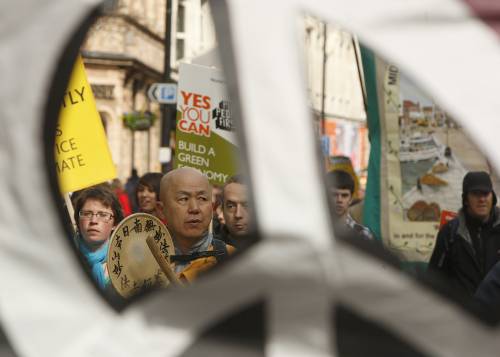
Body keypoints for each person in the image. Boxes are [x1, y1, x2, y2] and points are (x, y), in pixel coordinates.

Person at [428, 171, 500, 296]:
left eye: (485, 193)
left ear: (492, 197)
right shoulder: (450, 233)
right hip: (462, 312)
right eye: (476, 194)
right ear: (466, 199)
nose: (482, 199)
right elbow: (434, 279)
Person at [159, 167, 234, 283]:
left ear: (212, 205)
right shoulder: (146, 264)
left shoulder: (234, 260)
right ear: (161, 210)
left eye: (202, 198)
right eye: (183, 199)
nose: (194, 208)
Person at [73, 186, 124, 291]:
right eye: (87, 214)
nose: (93, 220)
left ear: (115, 223)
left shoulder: (126, 260)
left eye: (102, 215)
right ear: (78, 221)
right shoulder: (64, 256)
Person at [327, 170, 373, 241]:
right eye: (334, 195)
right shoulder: (316, 231)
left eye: (344, 195)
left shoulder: (362, 234)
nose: (339, 200)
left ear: (351, 199)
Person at [218, 175, 254, 248]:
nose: (238, 214)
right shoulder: (208, 254)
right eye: (231, 206)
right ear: (222, 209)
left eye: (247, 205)